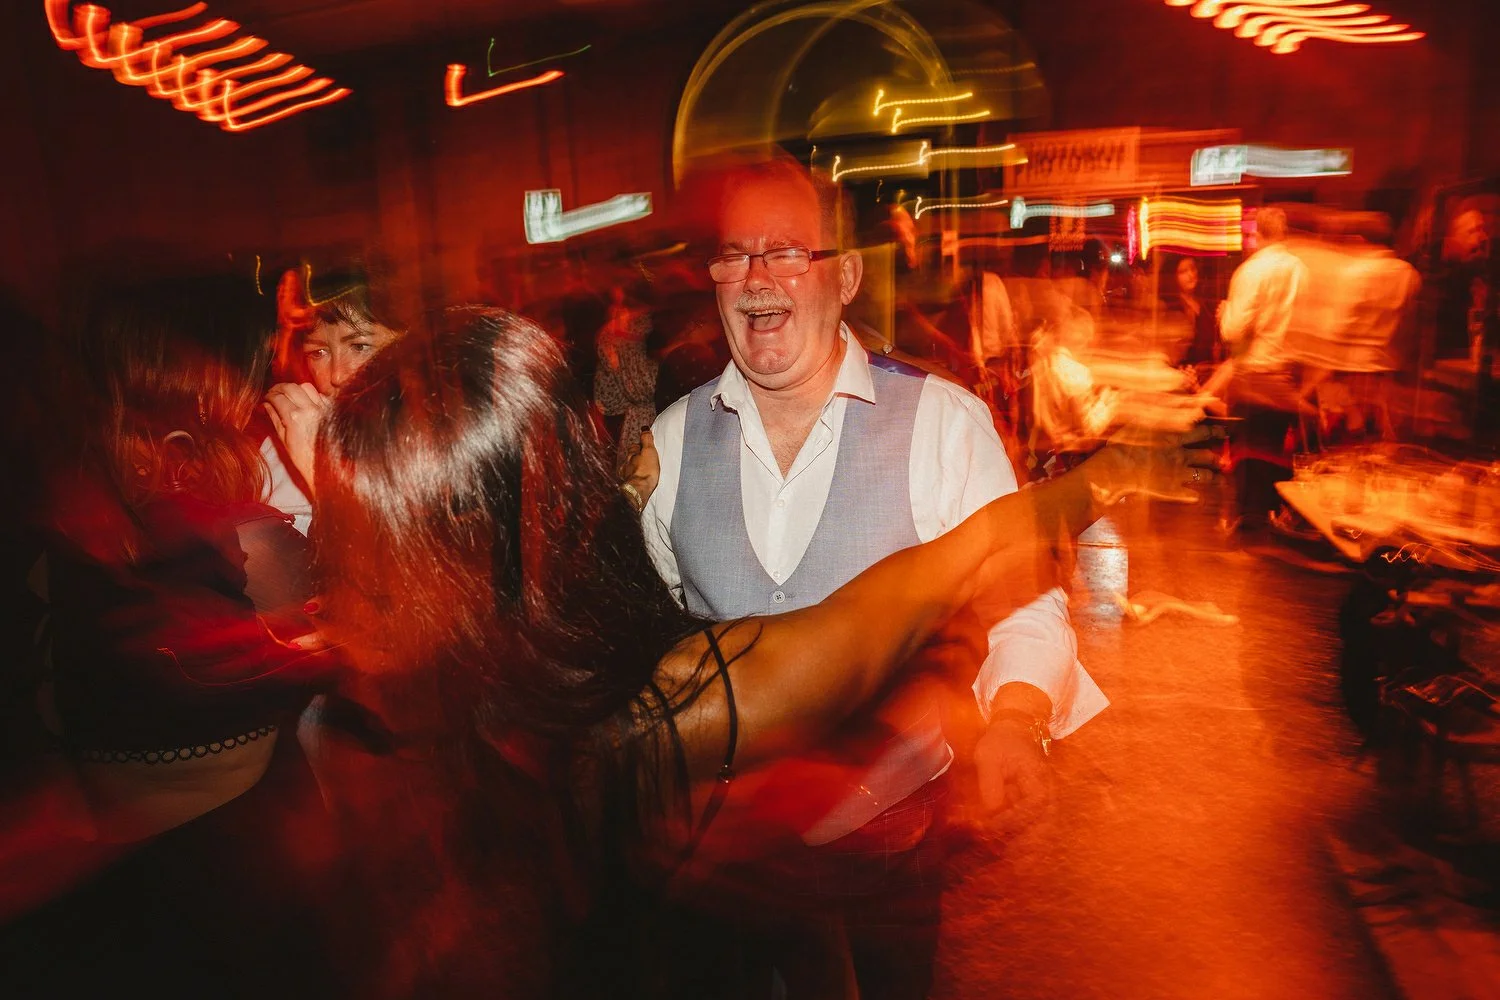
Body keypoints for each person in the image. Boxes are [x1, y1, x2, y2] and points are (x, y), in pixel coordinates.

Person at [308, 306, 1197, 998]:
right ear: (548, 507)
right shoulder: (651, 716)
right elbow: (920, 583)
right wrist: (1110, 473)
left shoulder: (347, 723)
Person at [637, 156, 1106, 998]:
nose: (754, 279)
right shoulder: (669, 442)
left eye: (785, 252)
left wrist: (1016, 720)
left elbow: (1023, 600)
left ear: (845, 275)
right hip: (730, 857)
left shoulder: (940, 422)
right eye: (734, 255)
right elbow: (653, 629)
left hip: (889, 848)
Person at [0, 274, 337, 995]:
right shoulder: (247, 537)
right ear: (207, 386)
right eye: (259, 366)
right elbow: (384, 635)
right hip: (240, 869)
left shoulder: (58, 508)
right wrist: (325, 478)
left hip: (110, 884)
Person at [261, 263, 403, 532]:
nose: (336, 375)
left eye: (360, 347)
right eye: (319, 352)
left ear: (407, 343)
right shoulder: (282, 440)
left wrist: (321, 470)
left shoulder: (440, 449)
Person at [1208, 206, 1309, 531]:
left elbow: (1235, 331)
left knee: (1250, 463)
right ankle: (1276, 521)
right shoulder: (1300, 270)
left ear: (1257, 234)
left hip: (1255, 378)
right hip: (1288, 378)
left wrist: (1225, 314)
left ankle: (1253, 540)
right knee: (1278, 461)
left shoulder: (1252, 271)